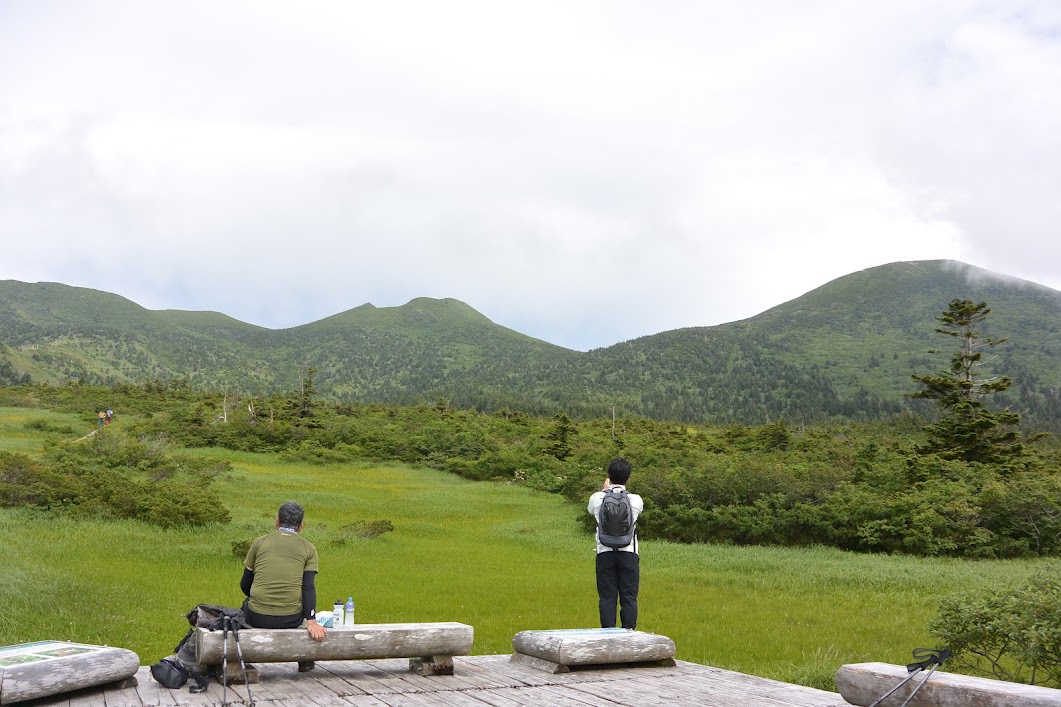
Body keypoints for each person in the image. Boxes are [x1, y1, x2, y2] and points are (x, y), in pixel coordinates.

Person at [241, 501, 326, 672]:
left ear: (277, 521)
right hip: (290, 617)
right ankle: (305, 661)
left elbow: (245, 584)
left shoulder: (259, 543)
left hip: (257, 616)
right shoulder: (309, 548)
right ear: (301, 526)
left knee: (245, 606)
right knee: (301, 615)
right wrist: (311, 621)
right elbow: (308, 588)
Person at [588, 457, 644, 630]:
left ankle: (607, 638)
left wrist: (605, 490)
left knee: (607, 597)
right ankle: (629, 635)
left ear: (609, 475)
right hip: (629, 553)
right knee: (629, 597)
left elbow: (592, 511)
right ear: (628, 477)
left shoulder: (597, 498)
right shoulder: (636, 500)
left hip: (604, 552)